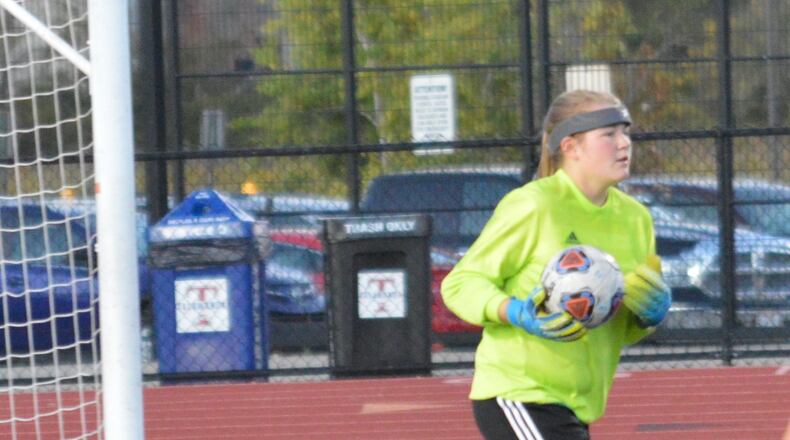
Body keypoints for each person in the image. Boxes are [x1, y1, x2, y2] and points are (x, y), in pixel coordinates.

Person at [441, 89, 671, 440]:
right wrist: (515, 311)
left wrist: (646, 317)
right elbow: (460, 283)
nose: (624, 143)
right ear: (571, 147)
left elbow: (619, 326)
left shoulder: (636, 219)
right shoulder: (534, 205)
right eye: (609, 135)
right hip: (519, 392)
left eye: (626, 132)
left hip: (577, 403)